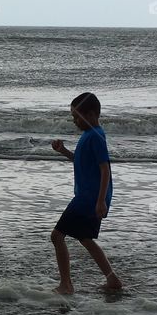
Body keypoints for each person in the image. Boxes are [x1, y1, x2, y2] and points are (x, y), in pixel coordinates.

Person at [50, 92, 121, 294]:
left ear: (90, 115)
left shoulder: (96, 136)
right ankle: (112, 279)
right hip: (88, 196)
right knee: (85, 238)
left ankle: (66, 285)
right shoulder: (88, 136)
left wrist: (100, 201)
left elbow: (105, 168)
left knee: (57, 236)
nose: (74, 121)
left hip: (88, 198)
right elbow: (80, 161)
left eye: (76, 117)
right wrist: (63, 151)